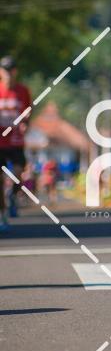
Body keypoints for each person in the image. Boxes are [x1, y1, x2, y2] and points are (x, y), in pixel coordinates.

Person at [0, 56, 32, 228]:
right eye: (5, 70)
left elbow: (28, 110)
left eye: (11, 70)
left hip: (15, 141)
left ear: (15, 71)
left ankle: (12, 195)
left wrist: (26, 122)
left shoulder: (23, 91)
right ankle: (2, 214)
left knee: (19, 172)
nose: (8, 74)